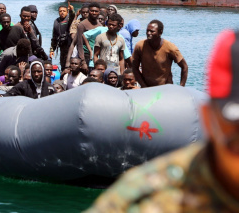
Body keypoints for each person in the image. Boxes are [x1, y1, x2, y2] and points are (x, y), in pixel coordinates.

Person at [84, 28, 239, 212]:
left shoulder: (168, 48)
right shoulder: (147, 198)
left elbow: (183, 65)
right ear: (208, 117)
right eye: (235, 124)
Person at [133, 19, 188, 87]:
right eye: (147, 31)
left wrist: (181, 86)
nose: (148, 33)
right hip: (146, 88)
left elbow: (184, 67)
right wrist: (143, 85)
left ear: (160, 32)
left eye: (152, 31)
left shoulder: (170, 48)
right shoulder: (140, 46)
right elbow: (134, 68)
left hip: (165, 88)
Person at [71, 2, 102, 71]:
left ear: (99, 12)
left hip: (96, 56)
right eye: (92, 11)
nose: (94, 13)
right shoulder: (82, 25)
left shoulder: (100, 26)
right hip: (85, 56)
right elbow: (79, 44)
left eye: (96, 11)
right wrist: (83, 61)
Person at [50, 2, 75, 71]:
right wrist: (52, 50)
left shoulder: (69, 19)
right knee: (62, 64)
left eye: (64, 11)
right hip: (62, 47)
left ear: (67, 12)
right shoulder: (56, 21)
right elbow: (54, 37)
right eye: (60, 11)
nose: (62, 12)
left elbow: (73, 16)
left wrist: (71, 11)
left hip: (70, 46)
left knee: (70, 64)